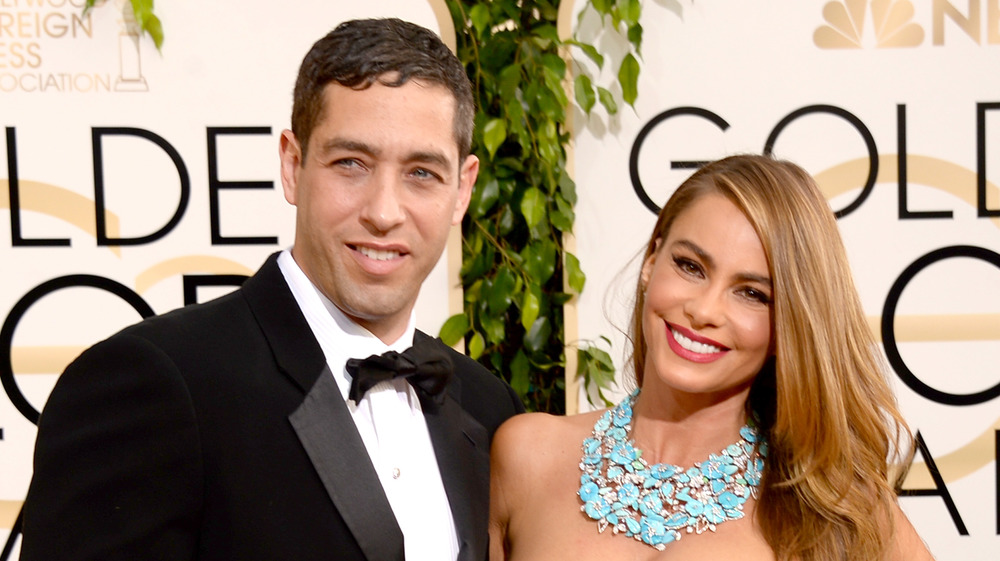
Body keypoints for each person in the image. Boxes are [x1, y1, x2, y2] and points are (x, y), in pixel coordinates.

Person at [20, 18, 523, 561]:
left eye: (422, 173)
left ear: (462, 190)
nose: (383, 212)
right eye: (351, 163)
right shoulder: (153, 384)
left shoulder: (491, 409)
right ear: (292, 163)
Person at [489, 154, 934, 560]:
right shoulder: (527, 456)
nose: (703, 310)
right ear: (651, 260)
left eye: (752, 294)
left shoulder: (834, 508)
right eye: (690, 266)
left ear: (788, 328)